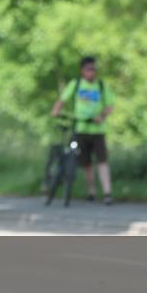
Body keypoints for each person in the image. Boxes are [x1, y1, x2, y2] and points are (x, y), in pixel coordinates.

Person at [51, 56, 116, 205]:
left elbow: (110, 105)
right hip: (79, 129)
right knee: (84, 161)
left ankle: (107, 193)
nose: (92, 72)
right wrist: (56, 110)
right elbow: (62, 99)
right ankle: (91, 191)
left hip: (98, 130)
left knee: (102, 160)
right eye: (88, 69)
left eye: (94, 69)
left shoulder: (101, 85)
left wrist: (102, 116)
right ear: (82, 71)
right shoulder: (76, 84)